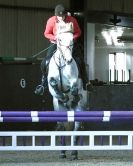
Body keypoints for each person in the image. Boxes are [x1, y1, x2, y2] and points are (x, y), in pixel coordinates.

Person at [35, 4, 88, 95]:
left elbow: (78, 32)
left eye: (63, 16)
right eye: (59, 16)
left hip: (70, 44)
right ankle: (43, 84)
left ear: (65, 14)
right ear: (56, 15)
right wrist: (55, 38)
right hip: (56, 43)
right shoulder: (51, 21)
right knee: (46, 61)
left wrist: (71, 38)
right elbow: (46, 33)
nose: (61, 18)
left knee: (80, 60)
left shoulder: (72, 20)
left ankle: (86, 82)